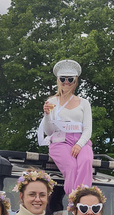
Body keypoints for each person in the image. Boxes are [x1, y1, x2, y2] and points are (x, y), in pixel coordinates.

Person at [38, 59, 94, 191]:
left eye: (70, 79)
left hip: (81, 140)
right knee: (71, 167)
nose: (66, 83)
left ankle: (83, 197)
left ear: (75, 81)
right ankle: (74, 200)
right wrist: (47, 115)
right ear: (58, 80)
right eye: (63, 79)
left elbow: (87, 129)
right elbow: (49, 132)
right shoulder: (52, 101)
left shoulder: (84, 103)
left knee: (86, 161)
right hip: (60, 141)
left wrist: (79, 144)